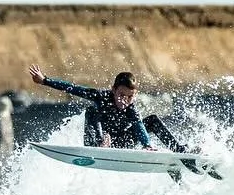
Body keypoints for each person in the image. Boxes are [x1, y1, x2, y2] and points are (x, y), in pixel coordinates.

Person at [28, 65, 184, 151]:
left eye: (130, 97)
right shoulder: (101, 96)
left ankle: (180, 151)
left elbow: (139, 127)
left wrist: (147, 145)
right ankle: (101, 143)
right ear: (114, 89)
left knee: (152, 120)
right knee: (91, 110)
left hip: (120, 144)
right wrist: (45, 81)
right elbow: (73, 88)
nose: (125, 100)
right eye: (122, 94)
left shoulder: (131, 108)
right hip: (95, 143)